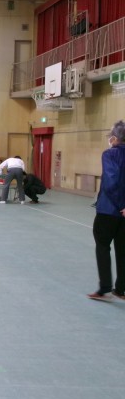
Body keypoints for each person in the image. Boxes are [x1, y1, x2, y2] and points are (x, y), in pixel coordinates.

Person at [88, 121, 125, 301]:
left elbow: (110, 183)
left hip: (109, 210)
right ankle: (121, 289)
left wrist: (121, 205)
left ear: (115, 138)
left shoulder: (110, 154)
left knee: (102, 246)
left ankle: (104, 288)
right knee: (123, 249)